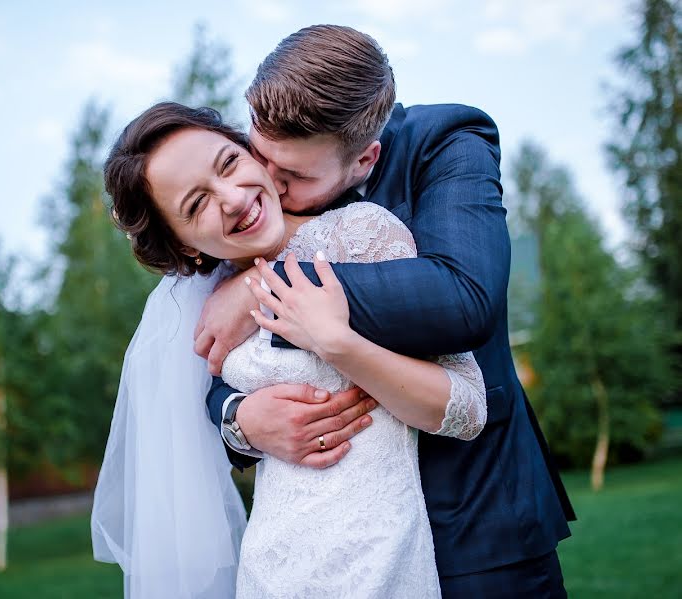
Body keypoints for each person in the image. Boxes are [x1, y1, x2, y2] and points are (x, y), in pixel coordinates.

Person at [197, 25, 575, 597]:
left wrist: (262, 287)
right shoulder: (240, 195)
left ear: (364, 159)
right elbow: (217, 359)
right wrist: (238, 420)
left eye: (295, 177)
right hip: (322, 552)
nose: (266, 188)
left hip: (474, 532)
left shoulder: (447, 140)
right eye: (262, 156)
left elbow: (464, 297)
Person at [92, 101, 488, 598]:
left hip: (384, 560)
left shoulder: (363, 234)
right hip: (274, 568)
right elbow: (198, 424)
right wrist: (243, 421)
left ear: (254, 154)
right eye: (196, 206)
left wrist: (337, 344)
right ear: (185, 247)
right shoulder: (207, 310)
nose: (233, 199)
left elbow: (468, 407)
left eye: (229, 163)